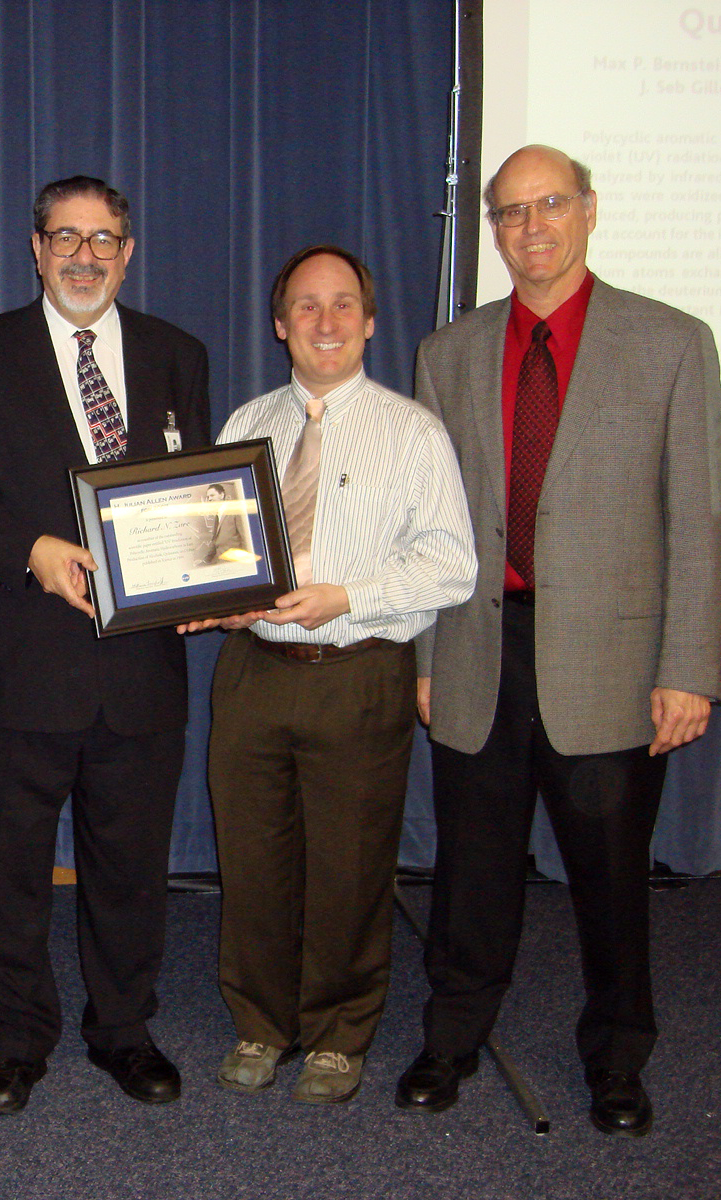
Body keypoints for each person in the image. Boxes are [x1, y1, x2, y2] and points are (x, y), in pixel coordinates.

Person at [398, 145, 721, 1137]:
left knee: (613, 881)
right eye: (509, 213)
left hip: (615, 666)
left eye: (549, 206)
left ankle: (619, 1058)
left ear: (588, 211)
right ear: (492, 230)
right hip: (478, 654)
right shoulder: (448, 352)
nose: (529, 227)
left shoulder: (672, 342)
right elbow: (430, 520)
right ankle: (452, 1036)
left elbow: (698, 520)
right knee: (472, 871)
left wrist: (689, 670)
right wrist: (421, 658)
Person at [0, 175, 209, 1115]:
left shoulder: (177, 354)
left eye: (105, 239)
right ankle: (15, 1038)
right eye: (66, 238)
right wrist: (31, 550)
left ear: (130, 250)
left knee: (130, 867)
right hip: (19, 665)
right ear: (35, 249)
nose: (85, 256)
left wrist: (208, 576)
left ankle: (124, 1030)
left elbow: (199, 498)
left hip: (142, 671)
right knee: (8, 871)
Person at [191, 246, 474, 1105]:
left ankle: (340, 1032)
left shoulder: (414, 431)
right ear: (280, 324)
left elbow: (451, 566)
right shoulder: (247, 423)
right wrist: (222, 597)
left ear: (370, 321)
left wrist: (345, 595)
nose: (324, 322)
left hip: (358, 667)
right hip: (254, 672)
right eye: (306, 306)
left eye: (342, 305)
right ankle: (261, 1020)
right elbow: (215, 551)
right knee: (252, 856)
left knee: (351, 865)